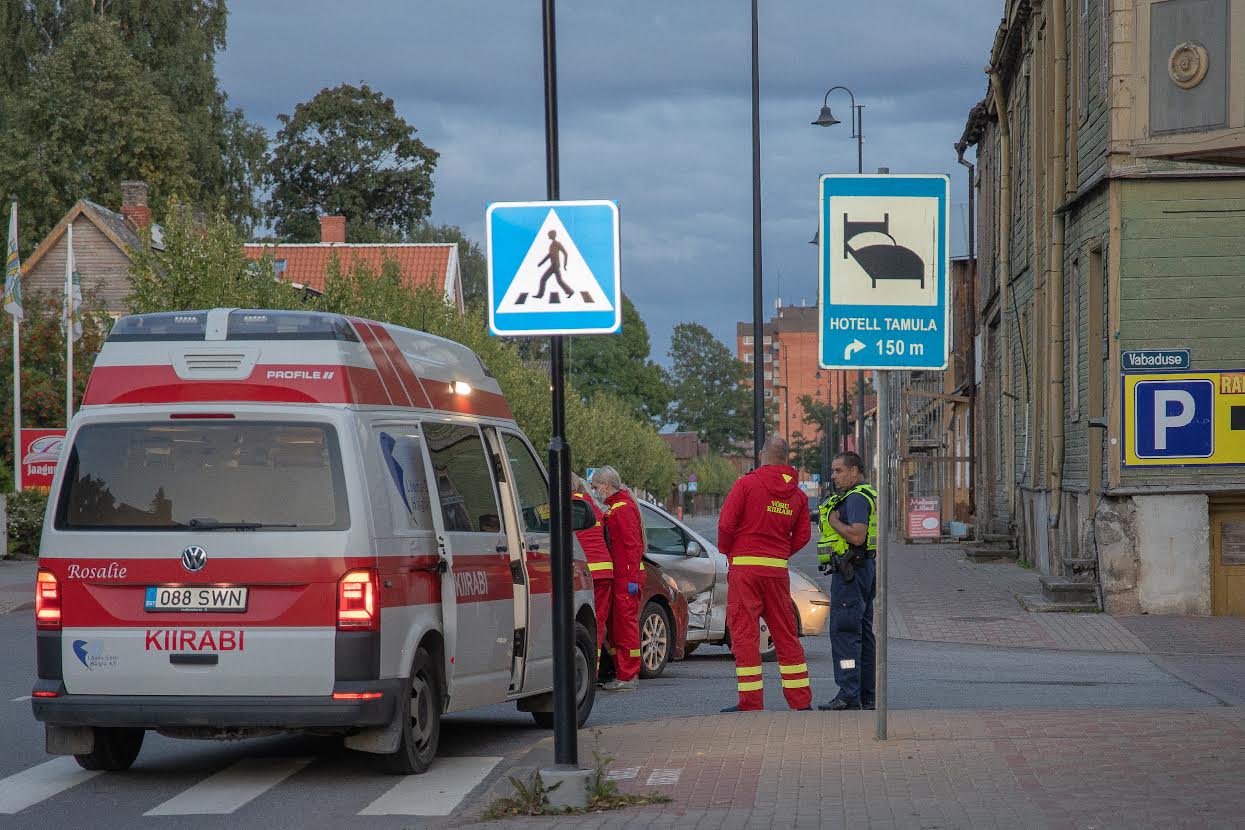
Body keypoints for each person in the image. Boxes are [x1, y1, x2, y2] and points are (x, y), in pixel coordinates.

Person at [717, 436, 812, 712]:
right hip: (776, 573)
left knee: (745, 635)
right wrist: (779, 553)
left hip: (745, 571)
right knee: (785, 634)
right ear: (786, 459)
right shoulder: (798, 496)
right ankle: (801, 703)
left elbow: (725, 524)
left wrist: (729, 551)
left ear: (762, 455)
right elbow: (803, 536)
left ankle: (751, 703)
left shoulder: (746, 484)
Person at [816, 451, 878, 711]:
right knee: (862, 633)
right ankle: (866, 694)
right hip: (862, 570)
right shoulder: (865, 494)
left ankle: (849, 693)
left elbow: (856, 535)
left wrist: (833, 521)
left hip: (850, 572)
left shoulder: (855, 499)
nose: (833, 476)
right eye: (833, 471)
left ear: (854, 471)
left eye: (838, 470)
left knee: (845, 634)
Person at [589, 466, 644, 692]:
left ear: (605, 485)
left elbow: (633, 546)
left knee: (625, 627)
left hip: (626, 577)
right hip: (620, 576)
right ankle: (621, 672)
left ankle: (629, 674)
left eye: (595, 487)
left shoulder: (623, 509)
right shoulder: (616, 507)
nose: (595, 492)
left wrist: (632, 578)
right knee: (617, 626)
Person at [571, 475, 613, 670]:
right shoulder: (592, 504)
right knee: (597, 623)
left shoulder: (565, 505)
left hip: (584, 571)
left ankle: (587, 670)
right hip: (605, 570)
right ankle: (593, 670)